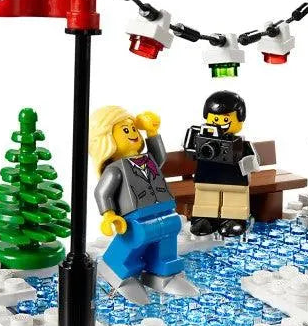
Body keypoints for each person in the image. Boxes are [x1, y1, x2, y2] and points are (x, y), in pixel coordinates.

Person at [89, 106, 198, 304]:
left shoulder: (147, 160)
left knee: (169, 232)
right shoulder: (115, 169)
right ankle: (116, 268)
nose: (132, 133)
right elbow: (102, 192)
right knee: (137, 237)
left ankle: (163, 273)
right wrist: (109, 215)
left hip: (163, 207)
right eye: (125, 130)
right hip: (135, 215)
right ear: (107, 140)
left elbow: (160, 157)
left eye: (133, 128)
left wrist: (152, 132)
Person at [184, 91, 260, 237]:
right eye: (215, 119)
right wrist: (193, 141)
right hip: (206, 178)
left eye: (225, 119)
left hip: (234, 181)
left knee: (235, 200)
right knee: (205, 198)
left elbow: (253, 165)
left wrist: (246, 163)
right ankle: (204, 219)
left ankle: (233, 220)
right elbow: (190, 153)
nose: (219, 123)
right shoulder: (203, 139)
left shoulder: (240, 144)